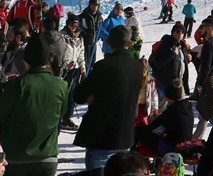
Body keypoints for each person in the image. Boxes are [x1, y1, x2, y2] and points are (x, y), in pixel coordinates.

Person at [74, 24, 143, 172]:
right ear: (129, 43)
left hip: (102, 135)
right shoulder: (137, 67)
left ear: (108, 42)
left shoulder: (103, 66)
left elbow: (79, 95)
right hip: (125, 134)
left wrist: (92, 97)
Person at [0, 36, 69, 176]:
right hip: (47, 157)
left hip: (17, 157)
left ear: (25, 61)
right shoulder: (61, 85)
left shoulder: (17, 85)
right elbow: (61, 113)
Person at [135, 81, 194, 157]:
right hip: (185, 147)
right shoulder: (187, 106)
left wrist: (135, 131)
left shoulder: (171, 111)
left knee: (143, 135)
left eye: (166, 97)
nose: (165, 99)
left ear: (170, 97)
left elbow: (151, 127)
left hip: (172, 149)